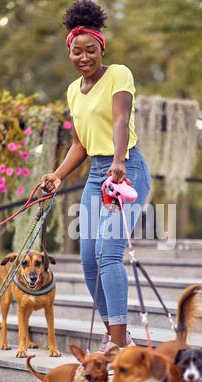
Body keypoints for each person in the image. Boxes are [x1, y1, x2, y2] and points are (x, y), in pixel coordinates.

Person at [41, 0, 151, 351]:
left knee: (108, 253)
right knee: (89, 261)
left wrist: (119, 159)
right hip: (95, 176)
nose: (84, 57)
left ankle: (119, 348)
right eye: (77, 51)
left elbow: (120, 119)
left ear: (101, 48)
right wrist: (58, 175)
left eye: (91, 50)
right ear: (69, 52)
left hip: (127, 168)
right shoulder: (74, 91)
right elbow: (79, 144)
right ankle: (116, 336)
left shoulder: (119, 74)